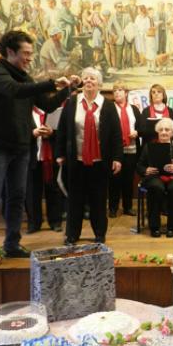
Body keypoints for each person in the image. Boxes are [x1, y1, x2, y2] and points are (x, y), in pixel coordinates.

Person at [0, 30, 73, 258]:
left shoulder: (26, 78)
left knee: (17, 197)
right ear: (9, 52)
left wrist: (67, 90)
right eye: (25, 53)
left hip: (21, 147)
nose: (29, 58)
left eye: (30, 53)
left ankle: (12, 244)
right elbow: (13, 91)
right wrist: (51, 83)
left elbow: (46, 106)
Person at [55, 67, 123, 245]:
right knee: (74, 200)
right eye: (85, 78)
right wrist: (60, 153)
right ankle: (72, 235)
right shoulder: (72, 103)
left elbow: (116, 133)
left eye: (92, 78)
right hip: (75, 160)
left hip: (100, 161)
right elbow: (62, 129)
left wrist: (117, 158)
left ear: (99, 84)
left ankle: (99, 233)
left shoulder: (107, 106)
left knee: (98, 200)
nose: (88, 81)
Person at [136, 118, 173, 238]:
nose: (164, 132)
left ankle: (172, 227)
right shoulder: (149, 147)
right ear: (157, 132)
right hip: (154, 176)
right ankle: (154, 227)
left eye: (167, 130)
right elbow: (139, 165)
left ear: (172, 132)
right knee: (156, 187)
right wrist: (145, 170)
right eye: (161, 130)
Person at [25, 104, 64, 234]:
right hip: (32, 157)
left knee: (53, 189)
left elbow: (63, 133)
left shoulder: (53, 112)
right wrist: (33, 133)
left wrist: (52, 133)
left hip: (51, 157)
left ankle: (55, 222)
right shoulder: (25, 111)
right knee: (32, 192)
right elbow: (17, 132)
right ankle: (34, 223)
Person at [108, 82, 142, 218]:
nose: (117, 93)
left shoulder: (134, 109)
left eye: (120, 90)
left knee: (128, 179)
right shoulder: (109, 108)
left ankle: (127, 207)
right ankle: (113, 208)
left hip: (131, 148)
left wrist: (137, 132)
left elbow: (141, 127)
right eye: (115, 90)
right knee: (114, 180)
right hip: (115, 150)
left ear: (126, 93)